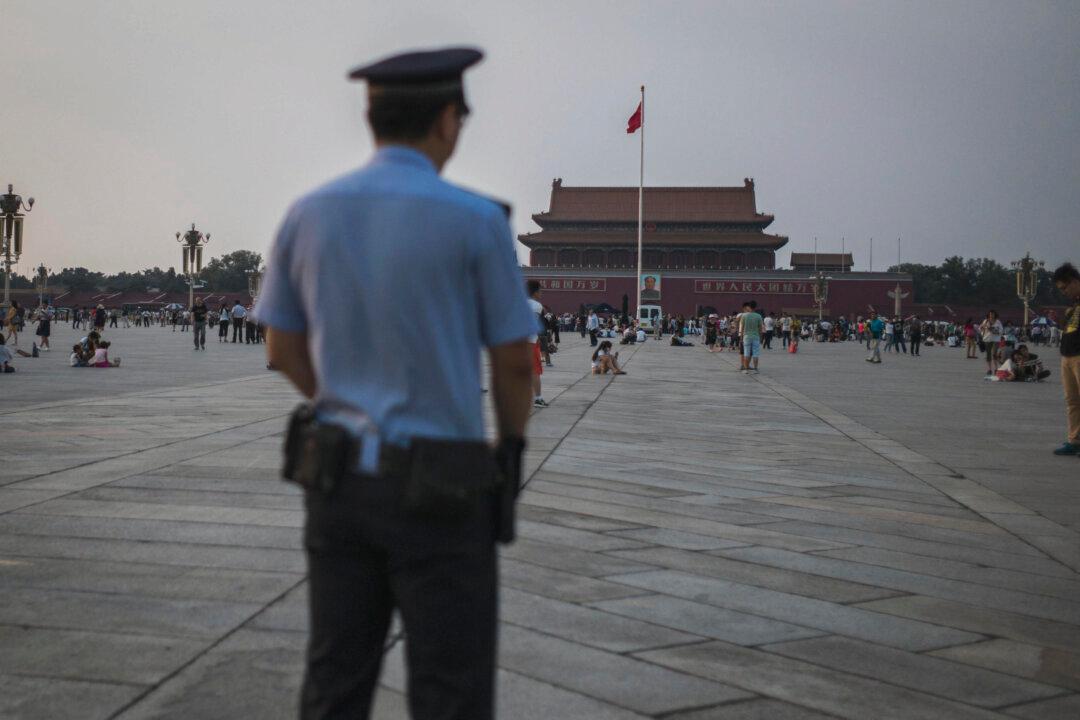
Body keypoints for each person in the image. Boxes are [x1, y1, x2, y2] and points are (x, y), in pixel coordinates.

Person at [255, 46, 535, 720]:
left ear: (371, 117)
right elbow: (515, 360)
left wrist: (340, 398)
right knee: (450, 686)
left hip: (338, 477)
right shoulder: (478, 221)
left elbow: (281, 347)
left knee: (336, 677)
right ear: (447, 120)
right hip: (446, 485)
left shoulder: (308, 212)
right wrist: (511, 449)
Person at [1052, 263, 1080, 456]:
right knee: (1072, 401)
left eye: (1064, 287)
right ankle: (1074, 440)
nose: (1063, 292)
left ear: (1075, 282)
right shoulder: (1075, 304)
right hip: (1068, 355)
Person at [526, 281, 548, 406]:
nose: (541, 293)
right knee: (535, 371)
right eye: (540, 291)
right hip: (530, 342)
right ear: (535, 292)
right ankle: (538, 398)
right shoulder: (537, 306)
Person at [738, 300, 762, 373]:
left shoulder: (744, 315)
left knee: (746, 353)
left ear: (749, 306)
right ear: (755, 307)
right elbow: (760, 328)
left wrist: (741, 337)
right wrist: (760, 337)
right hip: (756, 336)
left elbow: (742, 328)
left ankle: (746, 370)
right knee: (755, 353)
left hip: (746, 337)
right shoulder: (758, 316)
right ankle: (755, 369)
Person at [979, 310, 1004, 376]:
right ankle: (989, 369)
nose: (991, 315)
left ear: (995, 315)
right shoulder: (986, 321)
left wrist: (994, 330)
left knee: (994, 354)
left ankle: (996, 369)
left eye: (993, 314)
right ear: (989, 315)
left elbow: (1001, 330)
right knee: (988, 354)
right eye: (990, 314)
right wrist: (983, 327)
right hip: (987, 339)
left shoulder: (998, 322)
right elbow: (980, 328)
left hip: (996, 339)